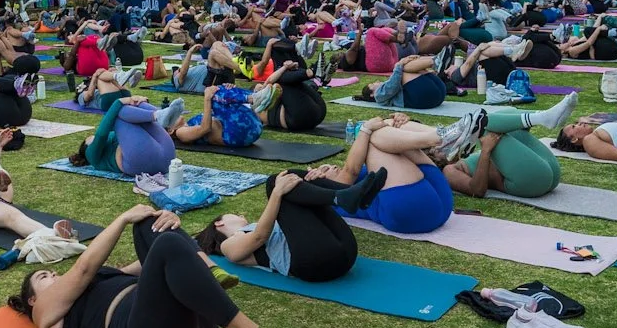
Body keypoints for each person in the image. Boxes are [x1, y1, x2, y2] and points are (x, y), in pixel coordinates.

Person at [8, 204, 305, 328]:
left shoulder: (100, 280)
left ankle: (206, 267)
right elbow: (84, 268)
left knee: (151, 228)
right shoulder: (45, 313)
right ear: (32, 299)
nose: (56, 275)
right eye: (45, 276)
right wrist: (124, 218)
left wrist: (170, 227)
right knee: (158, 241)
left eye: (54, 272)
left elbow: (154, 264)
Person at [193, 170, 358, 283]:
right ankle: (342, 195)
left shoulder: (262, 225)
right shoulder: (228, 245)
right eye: (236, 214)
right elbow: (259, 237)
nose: (241, 215)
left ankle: (346, 193)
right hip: (316, 263)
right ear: (219, 222)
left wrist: (311, 182)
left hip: (345, 252)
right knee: (274, 182)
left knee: (291, 180)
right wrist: (277, 192)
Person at [305, 115, 453, 235]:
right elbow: (351, 171)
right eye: (326, 170)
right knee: (374, 133)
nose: (333, 166)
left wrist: (397, 123)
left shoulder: (371, 167)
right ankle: (440, 138)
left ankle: (448, 134)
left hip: (437, 197)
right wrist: (365, 130)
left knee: (388, 124)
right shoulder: (335, 196)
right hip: (412, 209)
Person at [434, 97, 579, 200]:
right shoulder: (449, 171)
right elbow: (477, 191)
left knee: (505, 113)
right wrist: (485, 151)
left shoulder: (463, 156)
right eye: (435, 150)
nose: (439, 146)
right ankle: (542, 118)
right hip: (529, 181)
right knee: (482, 126)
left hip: (549, 169)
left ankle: (543, 116)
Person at [69, 89, 182, 176]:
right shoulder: (91, 156)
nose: (92, 136)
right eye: (89, 138)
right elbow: (101, 134)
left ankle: (161, 115)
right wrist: (118, 102)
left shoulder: (119, 138)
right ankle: (158, 116)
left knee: (135, 106)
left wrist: (135, 100)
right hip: (145, 162)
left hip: (167, 159)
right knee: (118, 112)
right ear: (86, 146)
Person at [169, 83, 263, 149]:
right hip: (235, 135)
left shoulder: (190, 123)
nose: (174, 115)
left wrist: (229, 90)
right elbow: (205, 128)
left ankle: (258, 96)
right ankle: (254, 97)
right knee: (215, 93)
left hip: (248, 130)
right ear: (170, 130)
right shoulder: (180, 133)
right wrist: (207, 99)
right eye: (170, 118)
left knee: (222, 89)